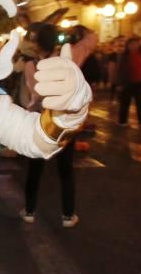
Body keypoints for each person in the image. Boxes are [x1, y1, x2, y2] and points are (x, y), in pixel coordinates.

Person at [21, 24, 96, 228]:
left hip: (40, 119)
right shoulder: (69, 58)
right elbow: (91, 41)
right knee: (66, 170)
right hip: (64, 120)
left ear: (37, 43)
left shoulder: (31, 65)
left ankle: (29, 210)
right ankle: (68, 215)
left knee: (35, 169)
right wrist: (80, 29)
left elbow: (34, 94)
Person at [117, 37, 141, 127]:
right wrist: (120, 83)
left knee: (139, 103)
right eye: (131, 44)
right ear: (128, 45)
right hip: (127, 82)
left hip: (139, 82)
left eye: (136, 44)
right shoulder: (124, 56)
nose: (134, 46)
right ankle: (122, 120)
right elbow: (121, 70)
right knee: (125, 102)